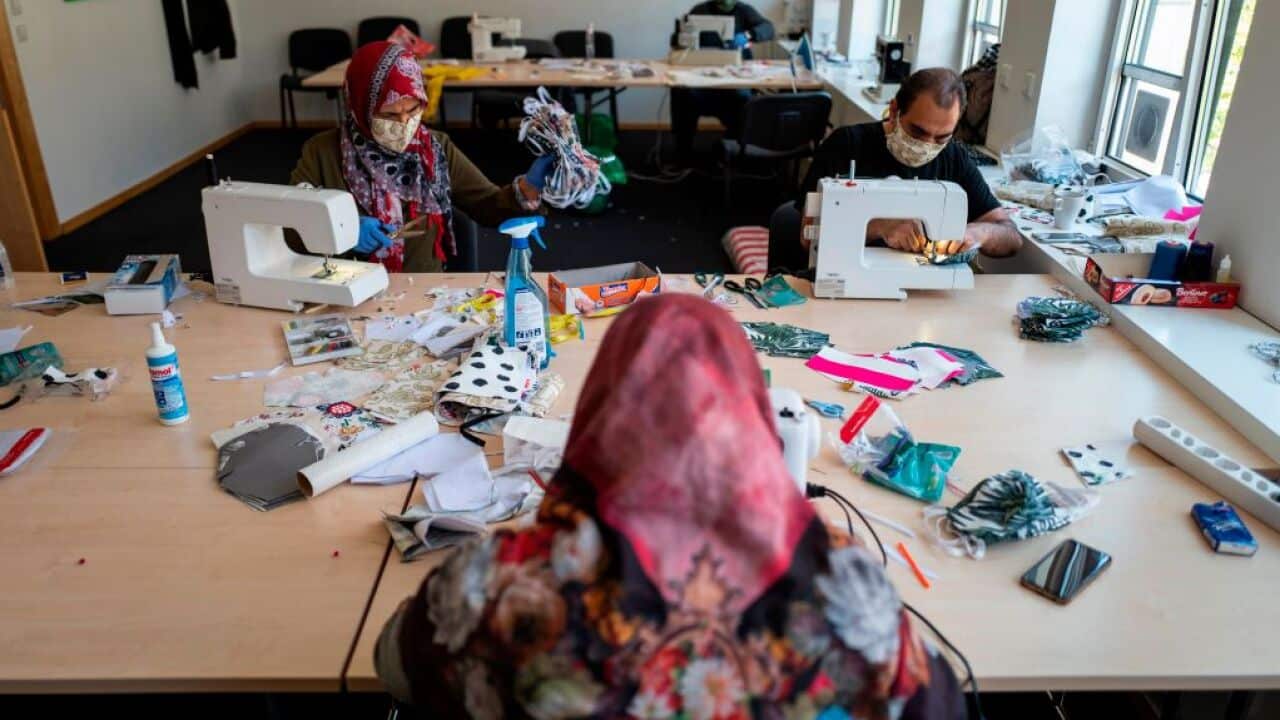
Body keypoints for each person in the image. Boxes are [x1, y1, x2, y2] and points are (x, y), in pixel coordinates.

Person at [373, 294, 965, 719]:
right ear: (750, 420)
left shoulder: (502, 582)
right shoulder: (842, 581)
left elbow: (395, 665)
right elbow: (937, 704)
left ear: (602, 416)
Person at [290, 41, 553, 272]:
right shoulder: (323, 152)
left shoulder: (434, 148)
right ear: (359, 107)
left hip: (421, 289)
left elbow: (487, 204)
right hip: (347, 288)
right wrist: (341, 229)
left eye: (413, 109)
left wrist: (528, 189)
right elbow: (289, 228)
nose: (404, 123)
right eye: (390, 115)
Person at [773, 67, 1021, 269]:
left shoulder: (954, 158)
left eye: (941, 137)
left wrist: (978, 233)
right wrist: (878, 227)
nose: (926, 145)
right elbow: (809, 236)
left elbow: (1011, 236)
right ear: (894, 110)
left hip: (917, 288)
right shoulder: (846, 144)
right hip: (841, 277)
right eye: (918, 132)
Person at [669, 1, 775, 163]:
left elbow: (768, 28)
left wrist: (748, 35)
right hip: (703, 73)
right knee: (680, 92)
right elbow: (678, 38)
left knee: (743, 97)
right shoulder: (700, 11)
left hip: (735, 76)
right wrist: (681, 39)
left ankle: (735, 148)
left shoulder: (744, 11)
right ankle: (683, 151)